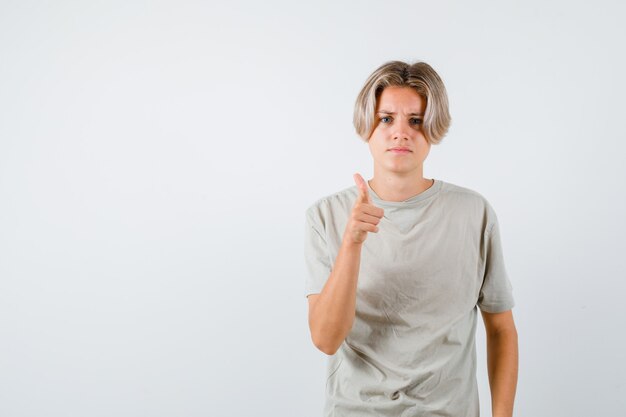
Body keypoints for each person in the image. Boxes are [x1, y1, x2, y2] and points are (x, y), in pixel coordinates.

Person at [303, 60, 518, 417]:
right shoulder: (325, 216)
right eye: (386, 119)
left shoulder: (473, 213)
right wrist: (352, 243)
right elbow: (326, 340)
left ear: (433, 128)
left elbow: (501, 329)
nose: (400, 132)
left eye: (415, 121)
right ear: (366, 126)